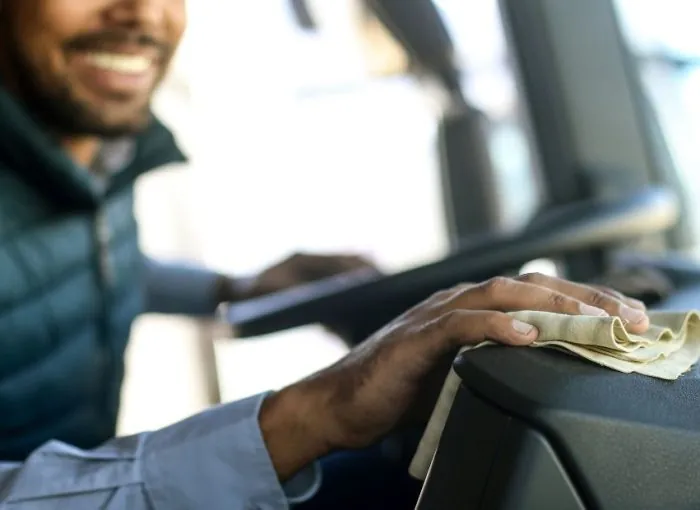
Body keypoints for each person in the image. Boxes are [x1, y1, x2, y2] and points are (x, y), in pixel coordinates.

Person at [0, 1, 653, 508]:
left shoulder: (84, 149)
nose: (141, 13)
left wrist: (230, 285)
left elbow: (66, 267)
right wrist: (309, 417)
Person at [0, 0, 373, 464]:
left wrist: (233, 288)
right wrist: (291, 426)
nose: (144, 12)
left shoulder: (90, 137)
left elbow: (81, 263)